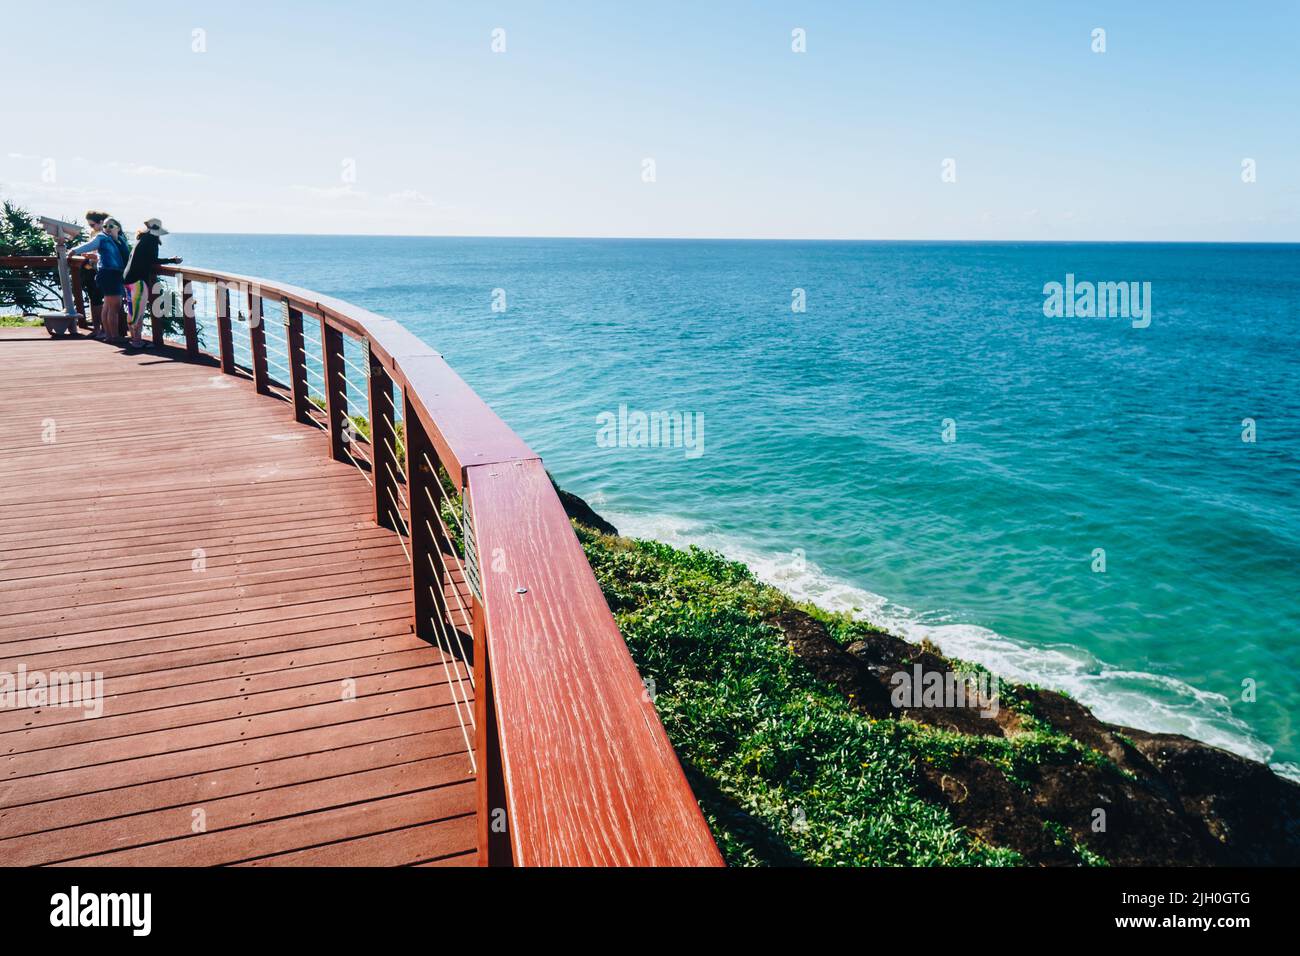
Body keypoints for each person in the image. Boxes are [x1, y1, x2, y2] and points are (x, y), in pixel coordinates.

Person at [123, 218, 182, 348]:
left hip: (128, 279)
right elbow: (153, 260)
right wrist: (172, 260)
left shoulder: (141, 239)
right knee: (138, 313)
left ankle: (134, 339)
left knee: (132, 310)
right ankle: (137, 341)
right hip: (138, 281)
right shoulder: (151, 240)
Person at [70, 217, 131, 343]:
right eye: (105, 226)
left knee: (109, 306)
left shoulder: (121, 240)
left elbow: (124, 257)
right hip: (108, 274)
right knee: (113, 306)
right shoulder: (102, 238)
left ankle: (109, 335)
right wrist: (74, 250)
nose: (107, 228)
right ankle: (113, 336)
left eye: (111, 226)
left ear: (118, 228)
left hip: (117, 275)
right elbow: (89, 245)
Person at [80, 211, 109, 337]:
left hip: (102, 270)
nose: (91, 228)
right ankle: (96, 328)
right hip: (91, 269)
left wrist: (95, 256)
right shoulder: (93, 233)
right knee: (93, 299)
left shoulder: (107, 235)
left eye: (92, 225)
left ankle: (104, 329)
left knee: (101, 300)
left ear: (101, 222)